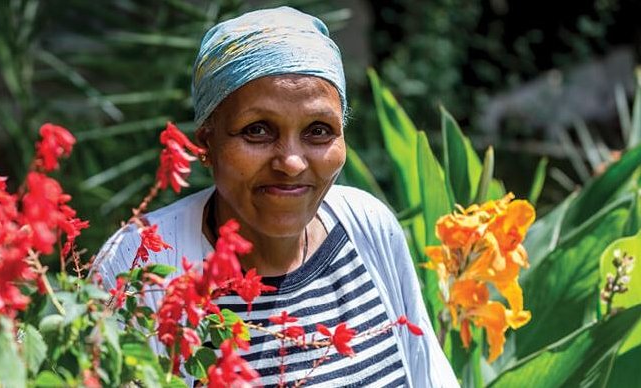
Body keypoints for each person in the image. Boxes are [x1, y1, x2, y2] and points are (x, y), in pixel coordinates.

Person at [94, 6, 458, 387]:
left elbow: (425, 371)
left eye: (319, 130)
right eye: (257, 130)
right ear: (206, 142)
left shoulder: (367, 226)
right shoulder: (139, 262)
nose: (292, 162)